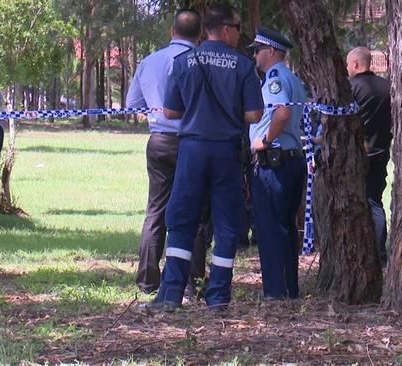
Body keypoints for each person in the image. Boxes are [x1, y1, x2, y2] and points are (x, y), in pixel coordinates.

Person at [137, 2, 264, 313]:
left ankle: (170, 295)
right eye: (237, 28)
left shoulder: (184, 61)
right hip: (226, 152)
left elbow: (170, 111)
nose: (239, 35)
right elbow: (254, 114)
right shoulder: (243, 65)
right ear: (224, 29)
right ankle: (218, 296)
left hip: (191, 150)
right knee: (226, 223)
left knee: (180, 219)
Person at [126, 9, 211, 296]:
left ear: (172, 32)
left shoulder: (149, 61)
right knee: (196, 211)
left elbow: (132, 104)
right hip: (192, 141)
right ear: (200, 35)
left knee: (156, 210)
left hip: (159, 141)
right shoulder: (201, 61)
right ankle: (191, 279)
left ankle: (148, 280)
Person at [248, 26, 307, 299]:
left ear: (270, 51)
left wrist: (266, 140)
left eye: (257, 50)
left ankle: (276, 291)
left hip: (275, 162)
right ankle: (288, 288)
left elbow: (281, 113)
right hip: (292, 159)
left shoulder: (274, 77)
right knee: (285, 227)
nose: (255, 56)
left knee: (272, 228)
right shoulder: (292, 78)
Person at [346, 46, 393, 264]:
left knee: (362, 203)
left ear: (356, 64)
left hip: (356, 154)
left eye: (348, 64)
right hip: (381, 151)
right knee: (375, 200)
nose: (347, 69)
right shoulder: (387, 87)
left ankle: (370, 253)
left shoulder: (351, 88)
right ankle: (378, 250)